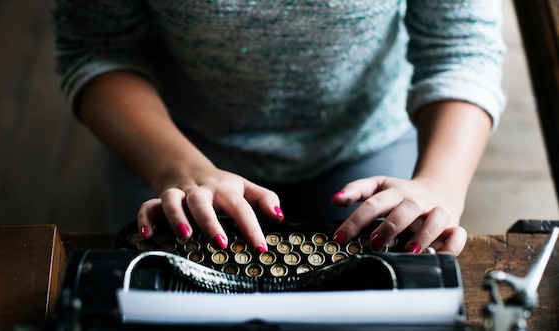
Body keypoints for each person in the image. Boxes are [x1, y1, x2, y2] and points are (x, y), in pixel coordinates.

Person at [51, 1, 505, 257]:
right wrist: (179, 169)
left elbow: (462, 48)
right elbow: (99, 48)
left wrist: (439, 183)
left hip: (364, 143)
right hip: (177, 143)